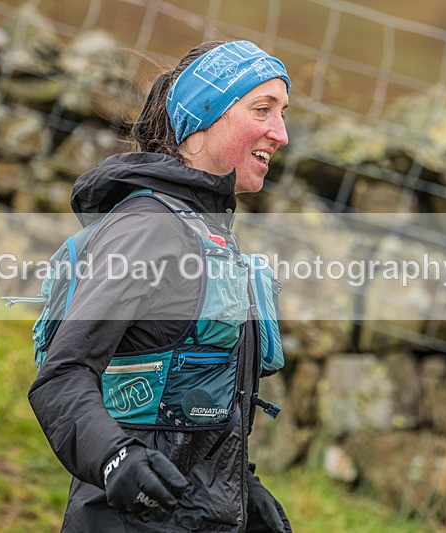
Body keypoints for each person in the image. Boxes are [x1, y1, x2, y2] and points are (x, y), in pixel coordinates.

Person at [28, 40, 292, 532]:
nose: (280, 132)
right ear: (202, 117)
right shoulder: (149, 228)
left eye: (282, 113)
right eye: (263, 109)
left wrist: (241, 487)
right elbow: (62, 376)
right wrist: (115, 459)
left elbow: (191, 398)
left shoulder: (208, 232)